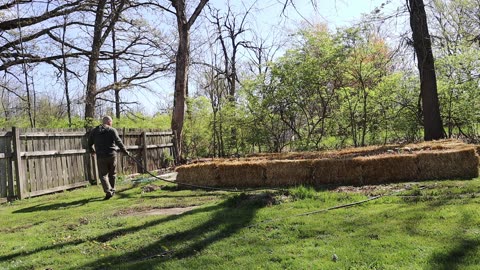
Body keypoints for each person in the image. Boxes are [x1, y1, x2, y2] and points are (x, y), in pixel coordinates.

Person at [88, 116, 130, 200]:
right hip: (111, 155)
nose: (112, 123)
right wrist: (125, 151)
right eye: (111, 122)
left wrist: (92, 151)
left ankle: (108, 191)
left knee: (103, 175)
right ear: (108, 122)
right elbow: (118, 142)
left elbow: (89, 142)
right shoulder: (112, 130)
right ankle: (112, 190)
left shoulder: (94, 131)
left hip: (100, 156)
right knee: (112, 174)